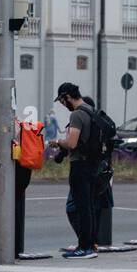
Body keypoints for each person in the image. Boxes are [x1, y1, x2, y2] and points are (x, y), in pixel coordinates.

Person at [47, 82, 99, 259]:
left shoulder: (77, 114)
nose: (62, 104)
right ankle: (89, 245)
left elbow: (72, 143)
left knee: (81, 207)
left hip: (80, 165)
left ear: (67, 97)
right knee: (89, 207)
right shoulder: (91, 110)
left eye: (62, 101)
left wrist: (57, 142)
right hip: (93, 164)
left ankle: (85, 248)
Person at [0, 120, 34, 258]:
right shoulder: (16, 125)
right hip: (14, 170)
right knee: (12, 209)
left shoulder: (7, 125)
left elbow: (4, 148)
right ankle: (12, 247)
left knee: (4, 210)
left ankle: (7, 248)